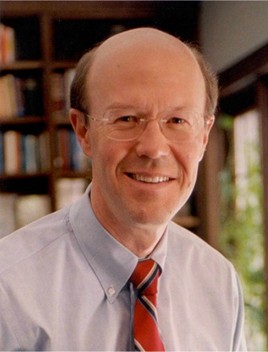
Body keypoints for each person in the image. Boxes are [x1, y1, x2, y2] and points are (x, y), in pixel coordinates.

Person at [0, 28, 247, 351]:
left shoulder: (218, 280)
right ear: (84, 131)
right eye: (127, 118)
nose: (154, 148)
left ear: (203, 136)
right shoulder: (8, 289)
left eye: (177, 121)